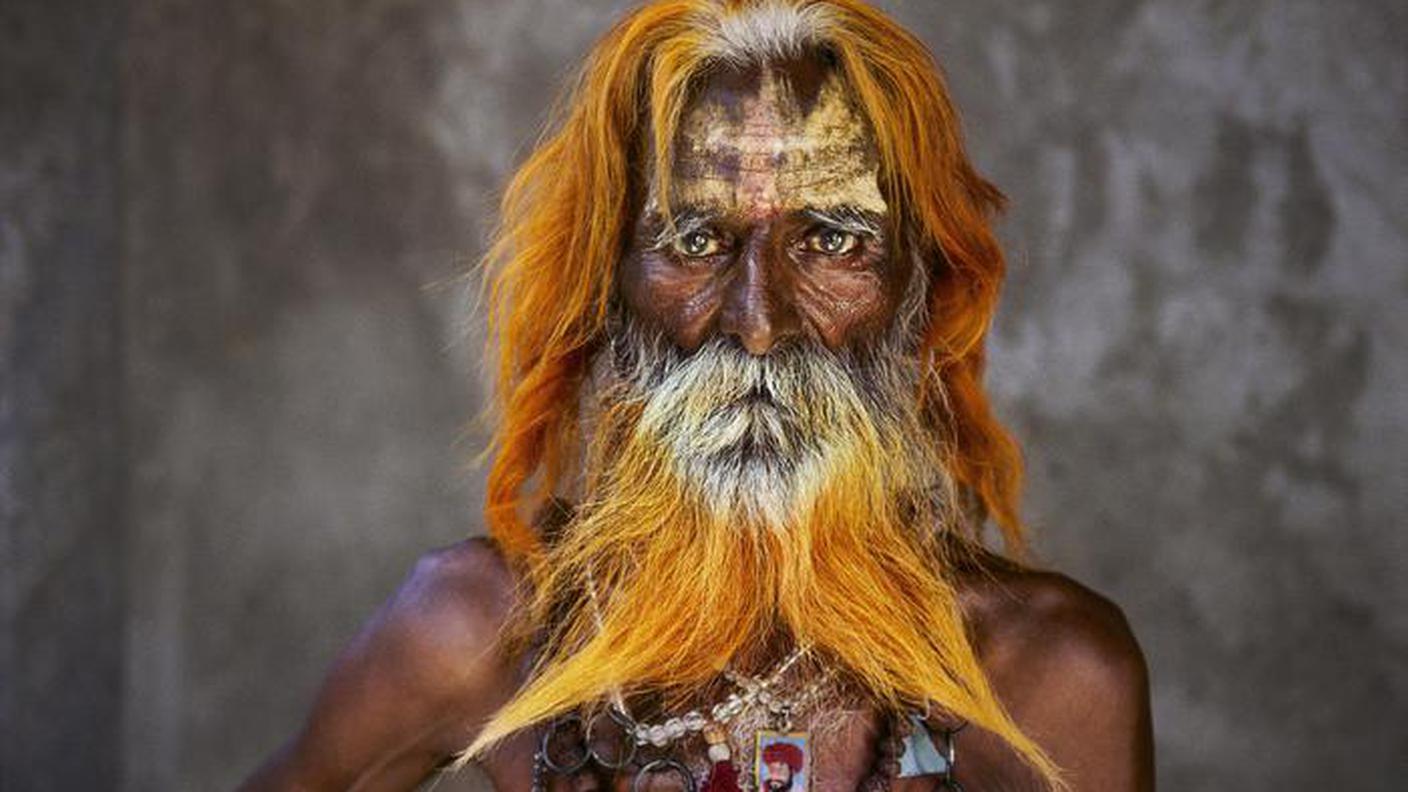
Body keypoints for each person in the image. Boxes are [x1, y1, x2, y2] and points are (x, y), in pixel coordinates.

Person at [241, 1, 1153, 790]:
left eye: (833, 242)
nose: (758, 323)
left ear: (920, 294)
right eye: (693, 239)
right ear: (608, 287)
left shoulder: (1049, 679)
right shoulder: (476, 631)